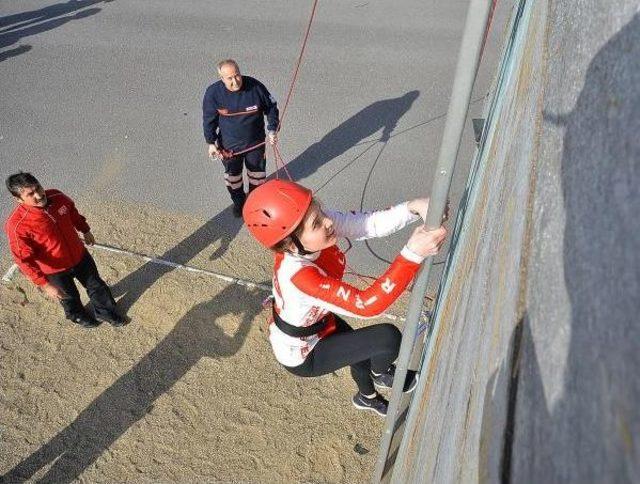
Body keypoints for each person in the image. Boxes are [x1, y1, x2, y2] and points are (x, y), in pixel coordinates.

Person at [243, 179, 448, 416]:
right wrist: (412, 255)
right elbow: (366, 305)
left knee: (360, 356)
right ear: (290, 245)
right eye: (317, 222)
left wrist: (413, 207)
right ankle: (380, 374)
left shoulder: (309, 235)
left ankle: (366, 396)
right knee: (387, 338)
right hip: (303, 353)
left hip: (317, 323)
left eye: (320, 211)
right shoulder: (300, 277)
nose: (328, 221)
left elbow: (366, 224)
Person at [4, 172, 127, 328]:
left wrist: (85, 230)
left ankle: (105, 312)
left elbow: (73, 214)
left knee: (96, 285)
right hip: (54, 270)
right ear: (19, 200)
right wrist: (44, 284)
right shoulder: (17, 225)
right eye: (30, 194)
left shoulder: (58, 196)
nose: (39, 194)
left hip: (80, 256)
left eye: (38, 188)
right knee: (69, 297)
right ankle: (77, 315)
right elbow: (23, 260)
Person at [202, 59, 280, 217]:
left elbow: (271, 108)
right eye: (229, 78)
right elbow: (209, 120)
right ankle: (239, 202)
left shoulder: (256, 87)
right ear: (221, 78)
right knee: (233, 178)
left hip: (255, 144)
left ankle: (254, 202)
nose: (235, 81)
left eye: (237, 75)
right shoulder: (213, 93)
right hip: (229, 147)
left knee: (257, 176)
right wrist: (211, 143)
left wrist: (272, 130)